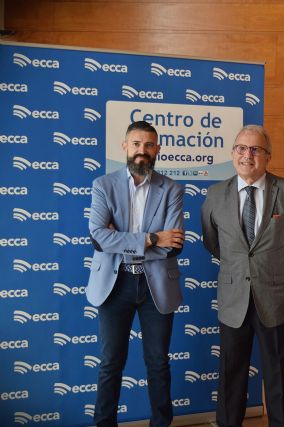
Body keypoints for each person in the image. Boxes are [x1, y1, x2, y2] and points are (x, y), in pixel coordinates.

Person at [201, 125, 284, 427]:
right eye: (241, 148)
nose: (247, 155)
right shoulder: (215, 194)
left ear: (268, 157)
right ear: (233, 153)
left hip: (274, 298)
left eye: (255, 149)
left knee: (279, 373)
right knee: (231, 373)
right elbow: (212, 240)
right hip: (233, 297)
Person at [86, 120, 185, 427]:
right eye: (137, 144)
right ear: (125, 147)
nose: (142, 151)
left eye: (149, 145)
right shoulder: (103, 185)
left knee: (158, 363)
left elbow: (174, 246)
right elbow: (98, 236)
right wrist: (152, 238)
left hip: (155, 285)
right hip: (114, 285)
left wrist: (122, 240)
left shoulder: (172, 189)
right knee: (111, 363)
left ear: (157, 149)